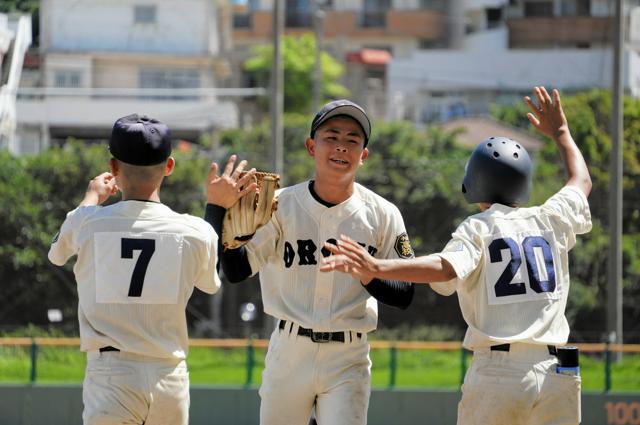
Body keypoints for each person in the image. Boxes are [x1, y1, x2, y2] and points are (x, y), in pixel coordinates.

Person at [321, 87, 592, 425]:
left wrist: (378, 266)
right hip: (558, 372)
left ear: (474, 181)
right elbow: (580, 180)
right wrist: (562, 132)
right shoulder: (552, 218)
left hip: (500, 372)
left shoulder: (479, 227)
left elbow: (444, 268)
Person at [204, 99, 415, 425]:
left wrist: (369, 274)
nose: (342, 146)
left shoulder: (383, 214)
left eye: (352, 140)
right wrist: (227, 229)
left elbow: (405, 294)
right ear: (311, 146)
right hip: (290, 349)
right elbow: (235, 272)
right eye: (331, 136)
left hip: (348, 354)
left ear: (364, 154)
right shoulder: (280, 205)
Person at [48, 114, 225, 425]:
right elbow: (210, 284)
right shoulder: (195, 230)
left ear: (114, 168)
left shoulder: (88, 222)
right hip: (168, 375)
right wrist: (218, 209)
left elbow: (57, 254)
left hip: (111, 375)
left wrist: (91, 199)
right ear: (169, 166)